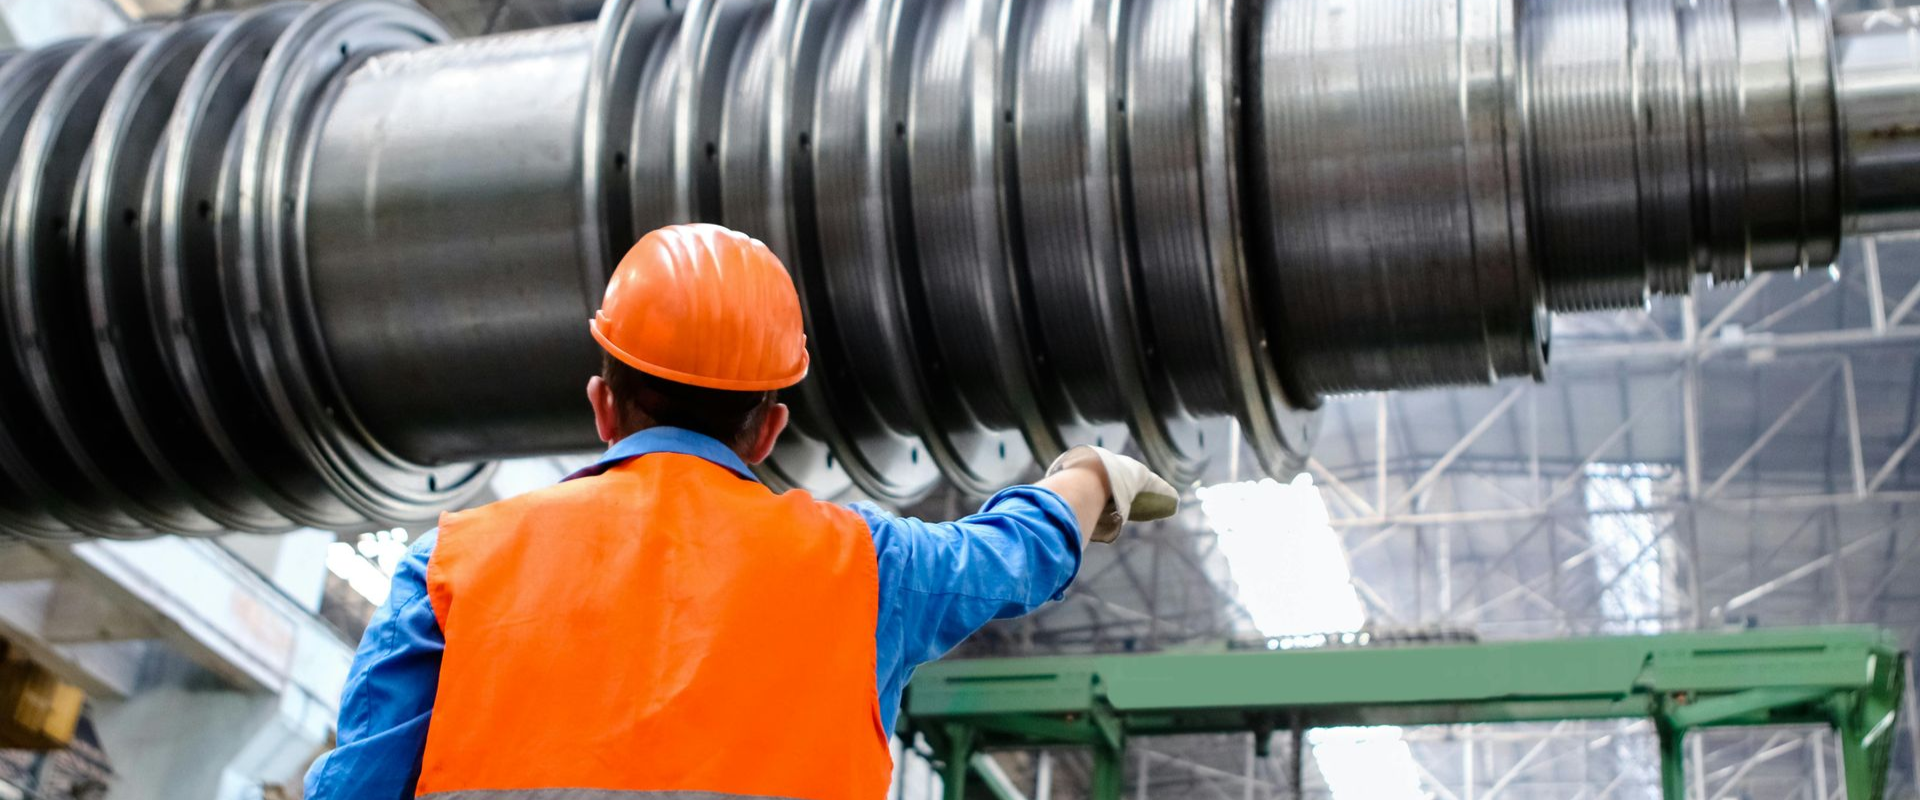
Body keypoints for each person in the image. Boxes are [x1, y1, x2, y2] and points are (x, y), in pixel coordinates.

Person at [303, 223, 1178, 800]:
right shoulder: (866, 567)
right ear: (768, 428)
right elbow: (1009, 554)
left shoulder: (455, 566)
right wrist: (1089, 476)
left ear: (603, 406)